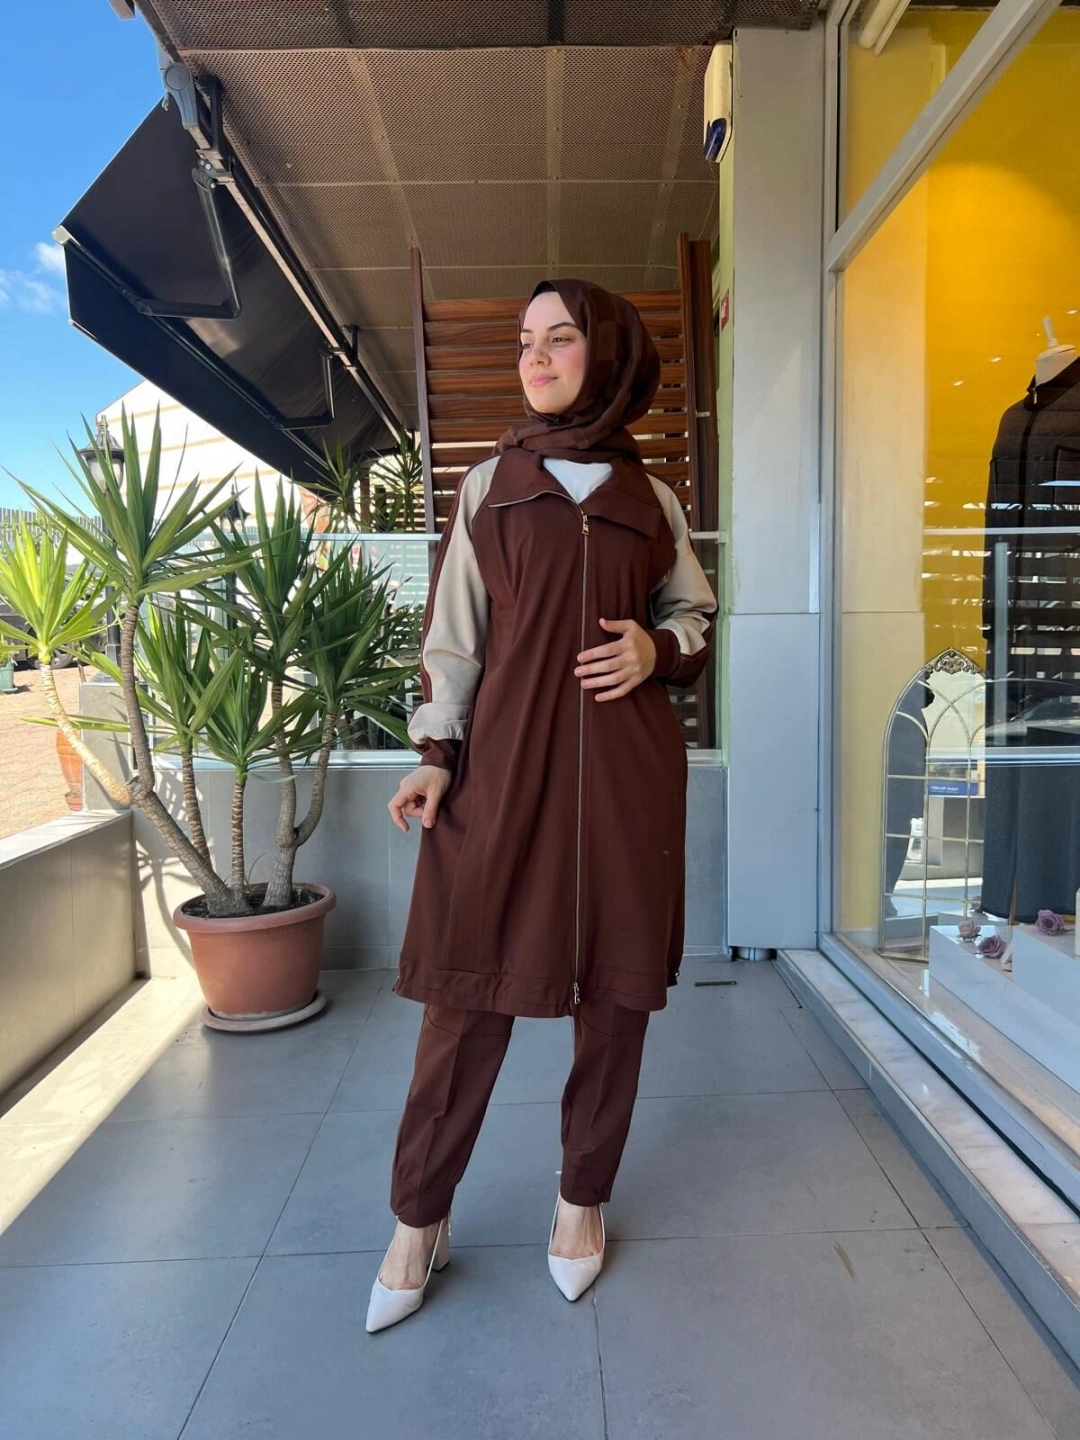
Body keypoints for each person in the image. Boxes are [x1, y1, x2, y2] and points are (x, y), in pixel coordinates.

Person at [367, 278, 719, 1334]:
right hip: (503, 776)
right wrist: (437, 754)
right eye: (527, 340)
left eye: (561, 338)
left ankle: (581, 1200)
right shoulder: (491, 486)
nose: (537, 357)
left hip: (625, 781)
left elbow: (695, 616)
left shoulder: (652, 500)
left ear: (605, 356)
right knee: (463, 998)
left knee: (615, 1002)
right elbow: (454, 637)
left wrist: (656, 646)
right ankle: (417, 1217)